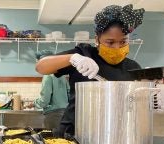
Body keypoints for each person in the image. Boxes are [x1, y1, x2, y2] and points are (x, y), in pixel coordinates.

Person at [35, 4, 145, 136]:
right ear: (97, 39)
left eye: (123, 42)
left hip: (115, 134)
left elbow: (138, 107)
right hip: (75, 133)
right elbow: (41, 67)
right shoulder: (84, 54)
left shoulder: (133, 68)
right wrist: (73, 58)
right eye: (110, 42)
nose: (117, 47)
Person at [30, 50, 70, 130]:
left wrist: (34, 103)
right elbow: (69, 94)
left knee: (52, 140)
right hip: (65, 113)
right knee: (61, 140)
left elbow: (45, 100)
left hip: (53, 115)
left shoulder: (47, 76)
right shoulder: (61, 75)